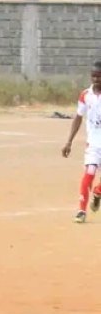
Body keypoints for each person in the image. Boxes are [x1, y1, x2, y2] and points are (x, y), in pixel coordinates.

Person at [62, 62, 101, 224]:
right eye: (93, 76)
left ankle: (98, 192)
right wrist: (69, 141)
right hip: (93, 143)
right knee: (89, 173)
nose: (96, 79)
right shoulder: (85, 95)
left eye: (99, 76)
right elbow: (78, 117)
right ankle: (81, 210)